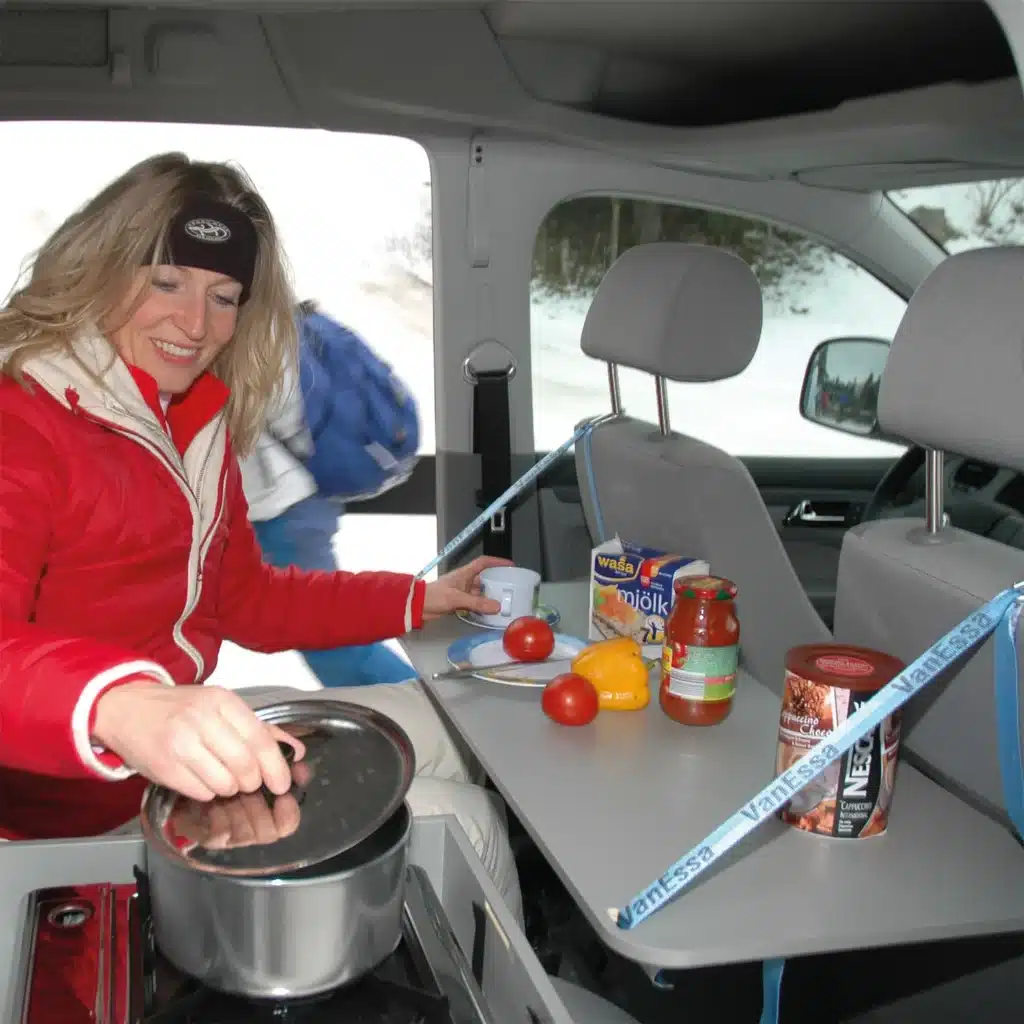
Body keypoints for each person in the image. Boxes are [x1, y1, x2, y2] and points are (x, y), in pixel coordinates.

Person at [0, 152, 522, 919]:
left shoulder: (192, 420)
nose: (195, 324)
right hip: (64, 808)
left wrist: (419, 598)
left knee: (461, 730)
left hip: (167, 742)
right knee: (468, 825)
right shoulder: (23, 419)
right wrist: (124, 707)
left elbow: (245, 599)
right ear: (103, 270)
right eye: (166, 282)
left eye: (224, 296)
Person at [239, 301, 418, 688]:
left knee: (331, 640)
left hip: (281, 506)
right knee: (328, 633)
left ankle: (429, 716)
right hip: (302, 495)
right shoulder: (273, 317)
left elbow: (279, 410)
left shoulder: (242, 331)